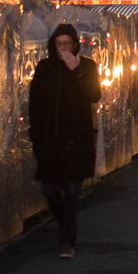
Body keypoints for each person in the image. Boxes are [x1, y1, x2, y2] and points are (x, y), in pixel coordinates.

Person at [29, 23, 103, 259]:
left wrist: (77, 71)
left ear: (75, 45)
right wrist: (36, 134)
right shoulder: (44, 68)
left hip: (77, 140)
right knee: (50, 189)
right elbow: (35, 103)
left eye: (67, 44)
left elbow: (94, 95)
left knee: (72, 190)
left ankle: (67, 241)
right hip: (50, 140)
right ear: (53, 45)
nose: (63, 49)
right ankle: (65, 224)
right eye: (59, 44)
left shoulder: (87, 66)